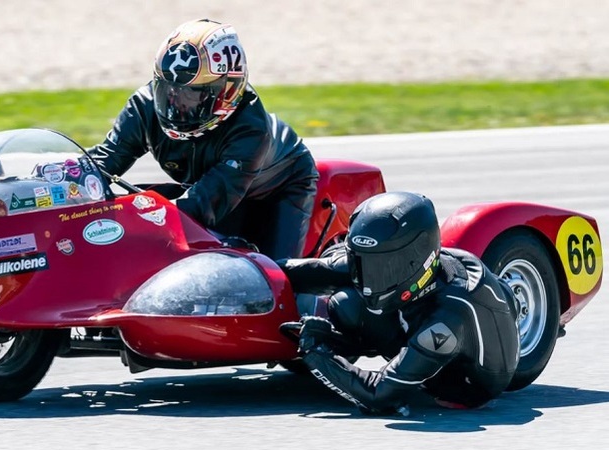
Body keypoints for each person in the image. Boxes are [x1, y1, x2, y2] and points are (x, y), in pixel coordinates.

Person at [85, 19, 318, 260]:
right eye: (169, 89)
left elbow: (203, 204)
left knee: (272, 277)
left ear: (226, 90)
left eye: (192, 93)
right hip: (215, 187)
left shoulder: (250, 128)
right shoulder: (145, 107)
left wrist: (135, 223)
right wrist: (62, 182)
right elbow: (104, 160)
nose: (176, 103)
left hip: (279, 188)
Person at [280, 191, 521, 414]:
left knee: (349, 305)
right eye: (361, 262)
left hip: (461, 383)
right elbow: (307, 272)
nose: (369, 280)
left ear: (417, 261)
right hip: (423, 314)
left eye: (384, 269)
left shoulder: (449, 318)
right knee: (346, 300)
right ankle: (343, 342)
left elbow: (378, 396)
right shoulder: (389, 267)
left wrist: (318, 355)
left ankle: (358, 350)